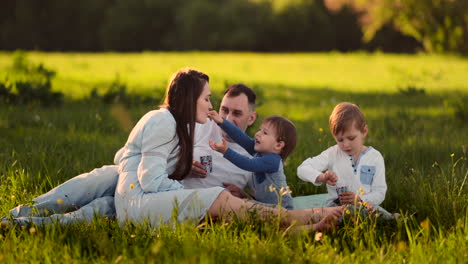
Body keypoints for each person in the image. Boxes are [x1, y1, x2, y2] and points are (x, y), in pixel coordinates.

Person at [5, 69, 342, 230]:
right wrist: (179, 168)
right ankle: (25, 214)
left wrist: (244, 194)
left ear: (252, 119)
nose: (221, 115)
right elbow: (136, 155)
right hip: (151, 184)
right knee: (100, 179)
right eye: (219, 106)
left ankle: (27, 223)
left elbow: (271, 194)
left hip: (165, 196)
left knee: (105, 206)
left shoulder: (251, 160)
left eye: (234, 114)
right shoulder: (187, 123)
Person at [297, 102, 387, 209]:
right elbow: (302, 169)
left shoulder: (375, 157)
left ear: (364, 131)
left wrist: (360, 199)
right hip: (335, 209)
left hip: (365, 208)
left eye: (351, 138)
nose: (345, 144)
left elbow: (380, 192)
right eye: (340, 140)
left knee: (385, 218)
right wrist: (322, 177)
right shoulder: (332, 153)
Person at [208, 112, 296, 209]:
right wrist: (222, 122)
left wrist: (226, 151)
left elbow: (248, 164)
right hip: (266, 205)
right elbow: (241, 137)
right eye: (260, 130)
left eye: (265, 132)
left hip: (282, 208)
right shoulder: (260, 152)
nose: (258, 134)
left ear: (278, 145)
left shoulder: (273, 160)